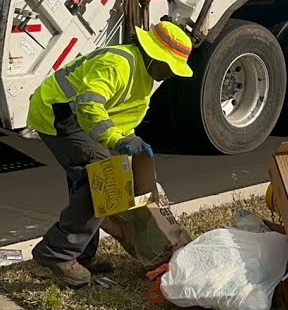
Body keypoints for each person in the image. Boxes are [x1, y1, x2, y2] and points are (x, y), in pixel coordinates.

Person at [27, 21, 194, 287]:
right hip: (58, 115)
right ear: (154, 55)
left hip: (75, 118)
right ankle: (57, 252)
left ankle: (81, 254)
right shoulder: (119, 64)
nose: (171, 75)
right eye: (170, 66)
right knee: (101, 183)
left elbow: (121, 114)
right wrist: (116, 140)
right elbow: (89, 105)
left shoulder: (143, 74)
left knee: (91, 183)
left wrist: (129, 139)